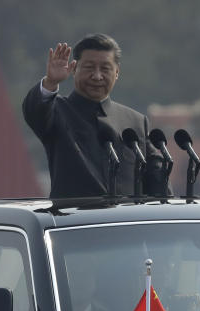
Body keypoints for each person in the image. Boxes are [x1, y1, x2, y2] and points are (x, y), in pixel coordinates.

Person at [22, 34, 167, 199]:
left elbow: (157, 180)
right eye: (89, 68)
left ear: (117, 72)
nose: (97, 76)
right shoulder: (57, 111)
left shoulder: (135, 122)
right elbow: (34, 110)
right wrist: (50, 82)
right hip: (74, 221)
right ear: (74, 69)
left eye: (105, 69)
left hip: (127, 221)